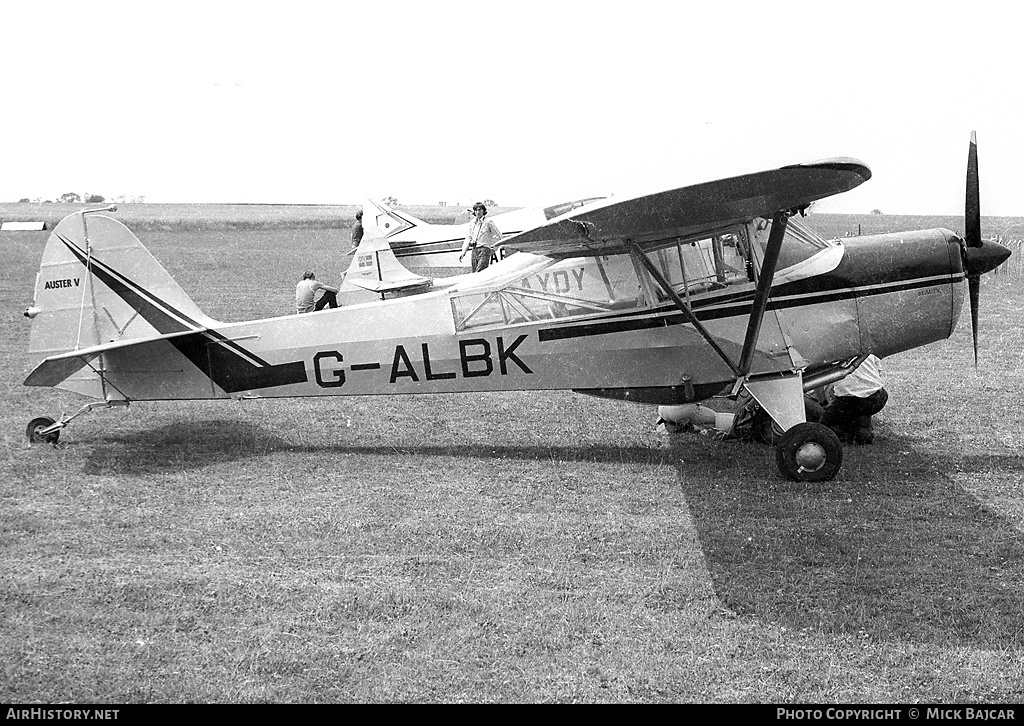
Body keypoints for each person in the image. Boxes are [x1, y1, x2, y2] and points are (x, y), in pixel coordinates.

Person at [820, 354, 888, 444]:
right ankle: (863, 426)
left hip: (850, 401)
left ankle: (851, 433)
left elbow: (820, 386)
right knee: (862, 409)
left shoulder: (828, 354)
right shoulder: (868, 350)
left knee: (825, 423)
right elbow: (878, 372)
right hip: (878, 397)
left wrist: (823, 403)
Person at [459, 202, 502, 272]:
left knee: (480, 273)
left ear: (484, 211)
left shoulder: (488, 222)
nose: (477, 212)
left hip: (484, 250)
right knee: (474, 274)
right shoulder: (472, 223)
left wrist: (493, 249)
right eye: (476, 210)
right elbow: (468, 238)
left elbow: (499, 236)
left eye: (479, 210)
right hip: (474, 250)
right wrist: (463, 252)